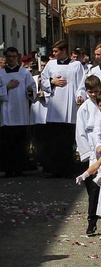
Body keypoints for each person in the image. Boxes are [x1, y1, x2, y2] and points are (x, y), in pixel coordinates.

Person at [40, 40, 86, 177]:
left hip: (70, 106)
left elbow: (81, 84)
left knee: (67, 140)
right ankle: (54, 169)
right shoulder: (50, 64)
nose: (53, 54)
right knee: (54, 140)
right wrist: (51, 82)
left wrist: (80, 95)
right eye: (53, 51)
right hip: (54, 107)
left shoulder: (76, 65)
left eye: (56, 51)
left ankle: (68, 169)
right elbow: (43, 80)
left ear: (64, 50)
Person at [74, 75, 101, 236]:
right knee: (92, 188)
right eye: (90, 92)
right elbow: (80, 133)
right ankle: (93, 220)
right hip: (90, 150)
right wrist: (86, 154)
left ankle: (100, 219)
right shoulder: (83, 108)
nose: (93, 94)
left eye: (96, 91)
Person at [0, 47, 36, 177]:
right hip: (6, 114)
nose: (11, 59)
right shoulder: (1, 74)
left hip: (20, 112)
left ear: (17, 57)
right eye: (9, 56)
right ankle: (8, 168)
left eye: (14, 56)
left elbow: (32, 87)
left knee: (20, 142)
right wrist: (7, 88)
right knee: (7, 143)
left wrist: (31, 91)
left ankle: (20, 167)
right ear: (5, 57)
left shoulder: (24, 73)